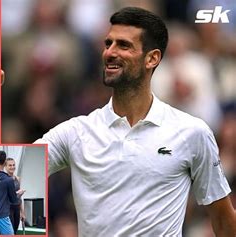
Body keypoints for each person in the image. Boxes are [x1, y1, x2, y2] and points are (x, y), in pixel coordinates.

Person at [35, 7, 236, 236]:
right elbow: (7, 173)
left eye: (123, 45)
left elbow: (223, 219)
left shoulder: (193, 132)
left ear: (152, 58)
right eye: (108, 43)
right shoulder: (75, 132)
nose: (109, 53)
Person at [5, 157, 26, 234]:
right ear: (5, 166)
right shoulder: (4, 179)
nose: (12, 167)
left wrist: (22, 212)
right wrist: (17, 193)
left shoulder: (17, 178)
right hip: (8, 208)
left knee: (15, 231)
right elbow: (5, 196)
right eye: (10, 165)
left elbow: (20, 198)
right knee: (10, 231)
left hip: (17, 207)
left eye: (13, 165)